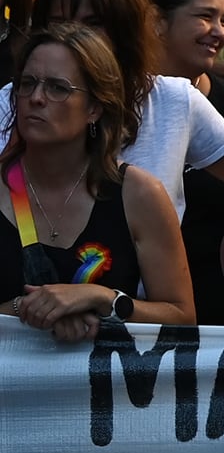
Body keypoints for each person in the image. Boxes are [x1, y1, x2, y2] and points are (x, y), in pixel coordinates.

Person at [1, 23, 196, 340]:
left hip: (107, 388)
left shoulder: (140, 194)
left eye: (57, 88)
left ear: (94, 108)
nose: (36, 98)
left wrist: (103, 299)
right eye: (27, 83)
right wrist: (30, 308)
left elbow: (182, 318)